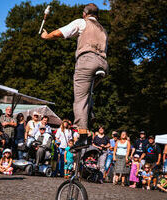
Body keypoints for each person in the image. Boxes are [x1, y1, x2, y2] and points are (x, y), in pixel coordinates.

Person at [41, 3, 108, 148]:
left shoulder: (82, 22)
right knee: (88, 94)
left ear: (85, 13)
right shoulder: (103, 30)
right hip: (102, 64)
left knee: (80, 99)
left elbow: (60, 33)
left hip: (87, 62)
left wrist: (47, 36)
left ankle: (83, 136)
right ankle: (90, 112)